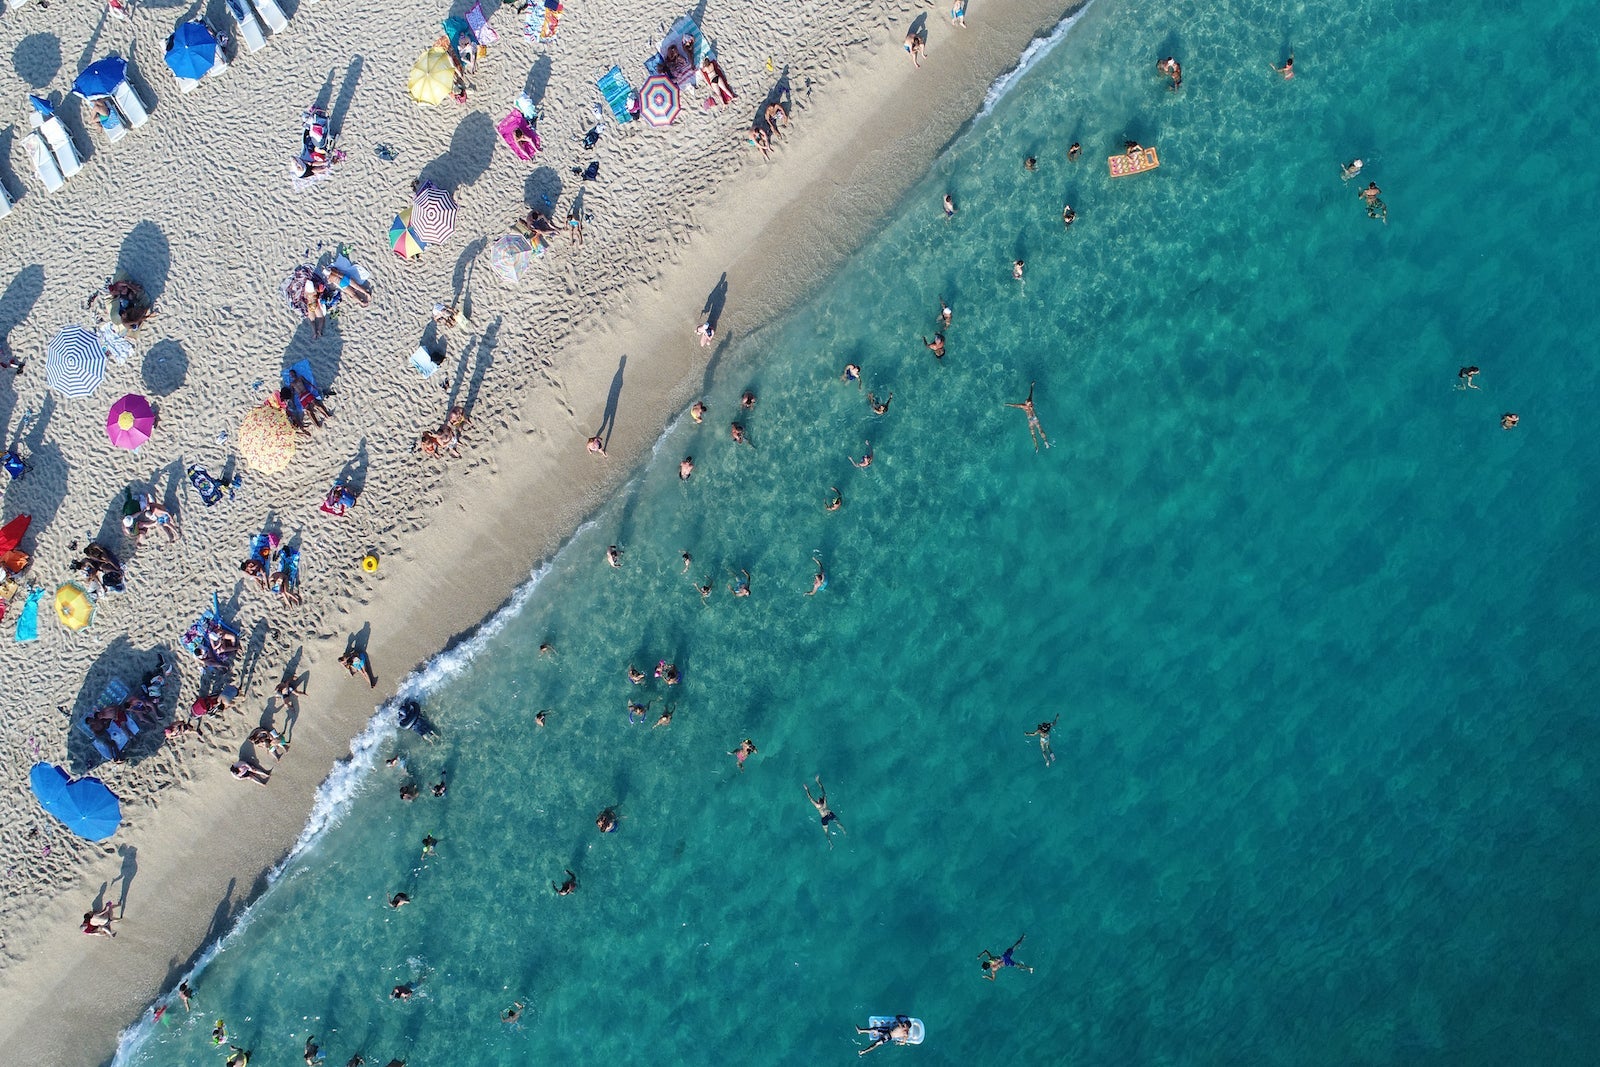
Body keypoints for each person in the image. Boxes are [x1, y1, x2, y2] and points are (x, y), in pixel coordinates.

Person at [1006, 381, 1051, 452]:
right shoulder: (1030, 402)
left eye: (1027, 401)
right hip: (1035, 418)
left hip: (1031, 420)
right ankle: (1045, 442)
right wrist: (1032, 386)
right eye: (1027, 401)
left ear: (1026, 403)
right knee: (1040, 430)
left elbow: (1015, 405)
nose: (1027, 401)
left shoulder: (1023, 406)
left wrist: (1008, 404)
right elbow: (1031, 393)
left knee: (1033, 434)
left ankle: (1037, 446)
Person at [803, 775, 844, 844]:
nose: (817, 799)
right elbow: (823, 791)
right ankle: (844, 832)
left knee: (826, 832)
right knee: (838, 823)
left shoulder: (817, 805)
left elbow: (810, 798)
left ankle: (830, 843)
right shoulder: (825, 802)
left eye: (818, 799)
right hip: (829, 814)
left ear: (819, 801)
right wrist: (818, 781)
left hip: (824, 818)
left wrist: (807, 790)